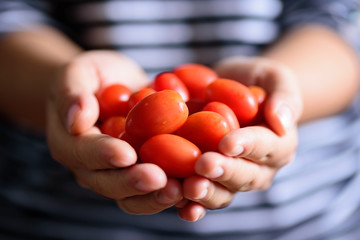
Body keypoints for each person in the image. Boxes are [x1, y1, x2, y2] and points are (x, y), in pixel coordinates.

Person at [0, 0, 360, 239]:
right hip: (63, 224)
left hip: (310, 223)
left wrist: (284, 93)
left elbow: (337, 21)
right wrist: (64, 92)